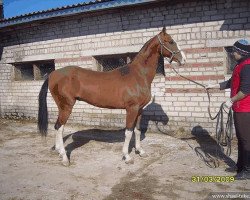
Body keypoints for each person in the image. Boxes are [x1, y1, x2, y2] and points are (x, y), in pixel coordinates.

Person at [206, 39, 250, 180]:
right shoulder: (240, 65)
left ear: (241, 53)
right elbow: (231, 83)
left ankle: (247, 170)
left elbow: (246, 90)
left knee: (246, 140)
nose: (232, 53)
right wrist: (213, 85)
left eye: (234, 51)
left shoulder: (247, 67)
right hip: (239, 109)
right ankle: (240, 166)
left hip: (245, 109)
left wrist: (230, 101)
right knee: (241, 138)